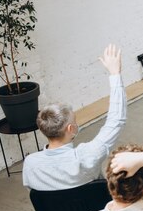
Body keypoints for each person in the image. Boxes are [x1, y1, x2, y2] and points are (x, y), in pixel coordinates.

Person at [23, 44, 126, 191]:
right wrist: (115, 74)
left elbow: (34, 193)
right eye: (75, 122)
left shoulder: (30, 164)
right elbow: (116, 120)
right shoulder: (88, 155)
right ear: (70, 129)